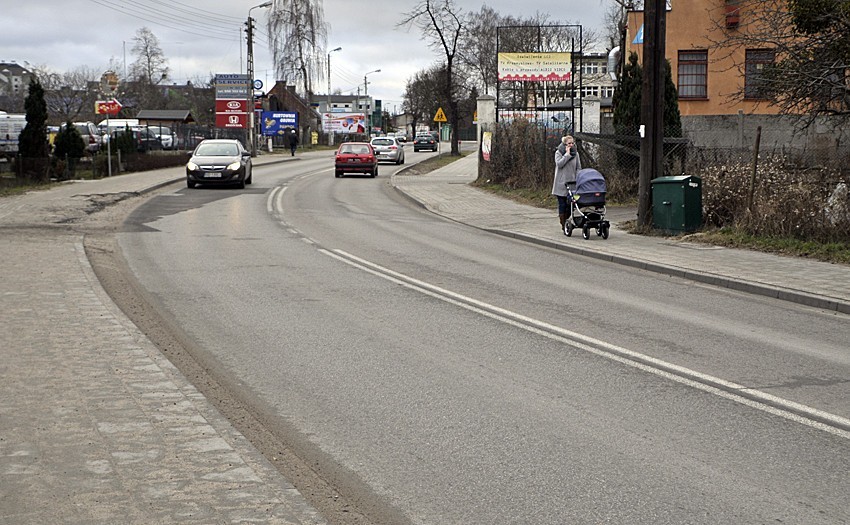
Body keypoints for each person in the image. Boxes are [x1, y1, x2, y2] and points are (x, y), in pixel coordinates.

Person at [551, 135, 582, 234]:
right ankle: (563, 223)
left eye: (572, 143)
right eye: (569, 143)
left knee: (571, 204)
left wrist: (578, 177)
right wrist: (567, 155)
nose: (571, 145)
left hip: (572, 184)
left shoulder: (576, 154)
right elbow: (559, 164)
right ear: (564, 144)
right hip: (561, 183)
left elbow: (578, 167)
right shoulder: (558, 152)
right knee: (562, 204)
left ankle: (567, 221)